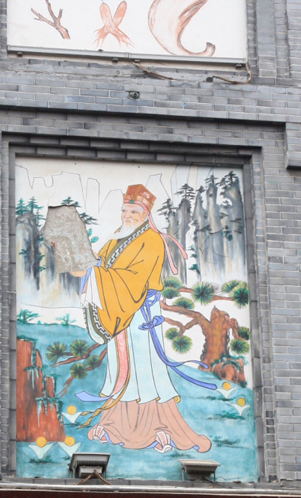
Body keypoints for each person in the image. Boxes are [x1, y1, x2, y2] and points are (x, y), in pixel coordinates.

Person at [73, 184, 212, 453]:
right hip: (118, 311)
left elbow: (135, 279)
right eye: (124, 210)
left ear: (146, 214)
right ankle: (114, 423)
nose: (127, 215)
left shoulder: (152, 240)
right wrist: (86, 267)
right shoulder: (117, 238)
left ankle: (157, 426)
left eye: (133, 211)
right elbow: (100, 264)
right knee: (120, 370)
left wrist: (97, 275)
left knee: (144, 370)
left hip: (141, 314)